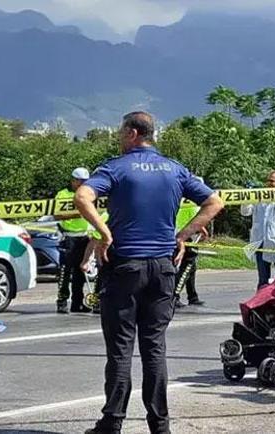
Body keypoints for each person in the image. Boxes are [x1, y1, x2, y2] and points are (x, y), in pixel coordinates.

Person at [74, 111, 223, 434]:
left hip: (125, 265)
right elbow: (215, 202)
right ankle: (160, 425)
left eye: (120, 131)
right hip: (162, 267)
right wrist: (183, 235)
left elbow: (83, 196)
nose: (118, 137)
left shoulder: (114, 167)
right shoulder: (175, 169)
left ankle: (112, 423)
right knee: (154, 347)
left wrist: (103, 232)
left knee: (121, 349)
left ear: (132, 132)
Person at [55, 167, 93, 314]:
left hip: (84, 237)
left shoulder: (87, 194)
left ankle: (77, 303)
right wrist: (77, 214)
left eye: (85, 181)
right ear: (73, 180)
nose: (83, 184)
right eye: (81, 181)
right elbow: (57, 215)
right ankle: (62, 301)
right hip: (69, 237)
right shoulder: (63, 195)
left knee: (80, 273)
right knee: (65, 272)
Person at [173, 177, 207, 309]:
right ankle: (175, 296)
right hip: (187, 236)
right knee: (187, 266)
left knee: (191, 267)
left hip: (178, 234)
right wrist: (203, 230)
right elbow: (196, 219)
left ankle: (193, 296)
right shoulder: (193, 201)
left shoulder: (181, 197)